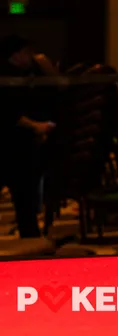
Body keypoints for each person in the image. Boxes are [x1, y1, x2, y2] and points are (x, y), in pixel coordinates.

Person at [0, 34, 55, 238]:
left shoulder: (29, 74)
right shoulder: (6, 77)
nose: (31, 56)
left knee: (26, 197)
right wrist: (35, 126)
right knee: (24, 194)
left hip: (22, 143)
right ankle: (30, 234)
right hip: (10, 144)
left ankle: (30, 235)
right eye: (27, 52)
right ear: (16, 54)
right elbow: (8, 113)